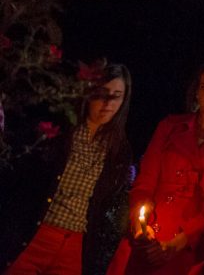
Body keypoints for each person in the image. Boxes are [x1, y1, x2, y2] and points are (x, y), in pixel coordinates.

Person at [107, 57, 204, 275]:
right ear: (196, 91)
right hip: (148, 239)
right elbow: (145, 181)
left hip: (191, 248)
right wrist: (140, 226)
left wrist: (182, 240)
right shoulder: (170, 126)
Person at [6, 64, 134, 275]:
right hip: (39, 233)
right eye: (102, 94)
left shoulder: (118, 149)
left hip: (74, 243)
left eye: (117, 96)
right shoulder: (65, 131)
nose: (108, 103)